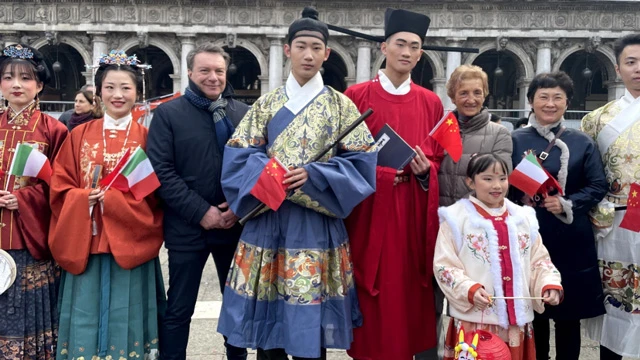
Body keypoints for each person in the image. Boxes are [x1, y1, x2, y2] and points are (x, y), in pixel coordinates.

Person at [217, 7, 377, 360]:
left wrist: (314, 176)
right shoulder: (266, 104)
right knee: (269, 330)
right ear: (287, 49)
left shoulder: (341, 107)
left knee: (311, 329)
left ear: (327, 54)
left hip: (316, 228)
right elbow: (238, 155)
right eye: (301, 46)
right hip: (269, 222)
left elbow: (362, 164)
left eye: (316, 47)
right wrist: (271, 172)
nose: (308, 54)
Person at [49, 50, 165, 359]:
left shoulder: (147, 138)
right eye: (110, 87)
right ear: (98, 91)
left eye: (126, 88)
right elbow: (60, 187)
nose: (117, 95)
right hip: (84, 239)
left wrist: (114, 202)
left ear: (138, 92)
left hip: (130, 239)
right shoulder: (78, 135)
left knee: (129, 314)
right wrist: (80, 199)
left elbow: (155, 196)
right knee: (85, 311)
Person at [343, 8, 444, 360]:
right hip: (369, 211)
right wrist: (382, 174)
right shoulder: (356, 97)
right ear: (384, 47)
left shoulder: (431, 102)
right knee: (372, 292)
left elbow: (436, 158)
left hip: (412, 213)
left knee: (407, 291)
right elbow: (344, 158)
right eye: (400, 44)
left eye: (414, 47)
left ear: (420, 54)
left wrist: (423, 170)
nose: (407, 52)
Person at [147, 43, 249, 360]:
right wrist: (201, 211)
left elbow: (256, 167)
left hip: (234, 227)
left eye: (219, 70)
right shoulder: (168, 114)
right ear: (190, 72)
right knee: (179, 309)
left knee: (237, 308)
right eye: (204, 70)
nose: (213, 77)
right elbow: (161, 171)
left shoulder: (243, 114)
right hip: (186, 228)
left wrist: (238, 208)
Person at [510, 72, 608, 360]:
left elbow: (598, 184)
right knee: (534, 312)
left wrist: (567, 203)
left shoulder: (582, 142)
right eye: (543, 97)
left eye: (557, 98)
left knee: (569, 317)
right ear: (531, 101)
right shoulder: (514, 140)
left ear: (567, 102)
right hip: (529, 237)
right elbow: (501, 184)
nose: (550, 104)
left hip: (572, 239)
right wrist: (521, 202)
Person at [434, 153, 563, 360]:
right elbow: (444, 267)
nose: (497, 185)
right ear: (470, 182)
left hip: (516, 324)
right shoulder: (455, 219)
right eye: (487, 178)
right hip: (474, 322)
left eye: (502, 178)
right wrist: (470, 290)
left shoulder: (523, 218)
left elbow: (539, 260)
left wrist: (549, 284)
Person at [0, 43, 68, 359]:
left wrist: (24, 199)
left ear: (39, 85)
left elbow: (64, 187)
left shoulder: (53, 130)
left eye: (25, 78)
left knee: (31, 317)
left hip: (30, 241)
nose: (16, 85)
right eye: (9, 77)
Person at [581, 33, 640, 360]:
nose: (638, 69)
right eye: (630, 62)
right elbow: (590, 174)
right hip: (612, 225)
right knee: (614, 302)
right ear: (617, 69)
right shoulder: (596, 119)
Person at [439, 64, 512, 207]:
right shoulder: (440, 131)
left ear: (484, 95)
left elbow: (500, 184)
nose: (471, 100)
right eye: (463, 93)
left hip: (477, 221)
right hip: (440, 218)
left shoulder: (499, 134)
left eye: (477, 92)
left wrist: (459, 213)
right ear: (453, 97)